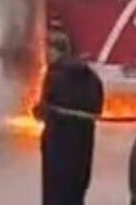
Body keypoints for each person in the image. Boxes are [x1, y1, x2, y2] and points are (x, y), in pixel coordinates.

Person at [35, 40, 104, 205]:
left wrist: (39, 111)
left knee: (55, 192)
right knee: (76, 189)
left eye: (49, 50)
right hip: (82, 143)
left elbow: (46, 105)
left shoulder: (55, 73)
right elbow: (97, 108)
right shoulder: (91, 77)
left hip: (57, 142)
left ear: (58, 51)